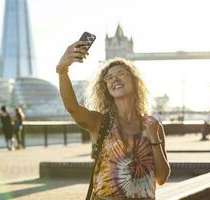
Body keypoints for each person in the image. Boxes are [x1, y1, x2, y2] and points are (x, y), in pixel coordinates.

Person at [56, 41, 170, 200]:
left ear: (134, 81)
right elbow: (73, 108)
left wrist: (154, 140)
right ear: (106, 88)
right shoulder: (100, 123)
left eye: (121, 74)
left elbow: (161, 178)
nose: (114, 79)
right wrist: (62, 70)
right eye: (109, 78)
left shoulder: (152, 125)